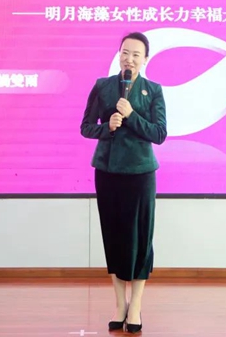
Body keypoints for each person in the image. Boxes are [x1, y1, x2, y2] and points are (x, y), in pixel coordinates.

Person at [80, 32, 167, 334]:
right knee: (114, 237)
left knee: (141, 240)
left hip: (141, 173)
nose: (129, 59)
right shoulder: (102, 87)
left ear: (145, 60)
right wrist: (107, 128)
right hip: (108, 171)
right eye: (125, 52)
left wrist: (130, 116)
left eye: (136, 54)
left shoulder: (153, 90)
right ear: (119, 54)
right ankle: (120, 305)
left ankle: (137, 306)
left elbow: (159, 133)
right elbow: (86, 127)